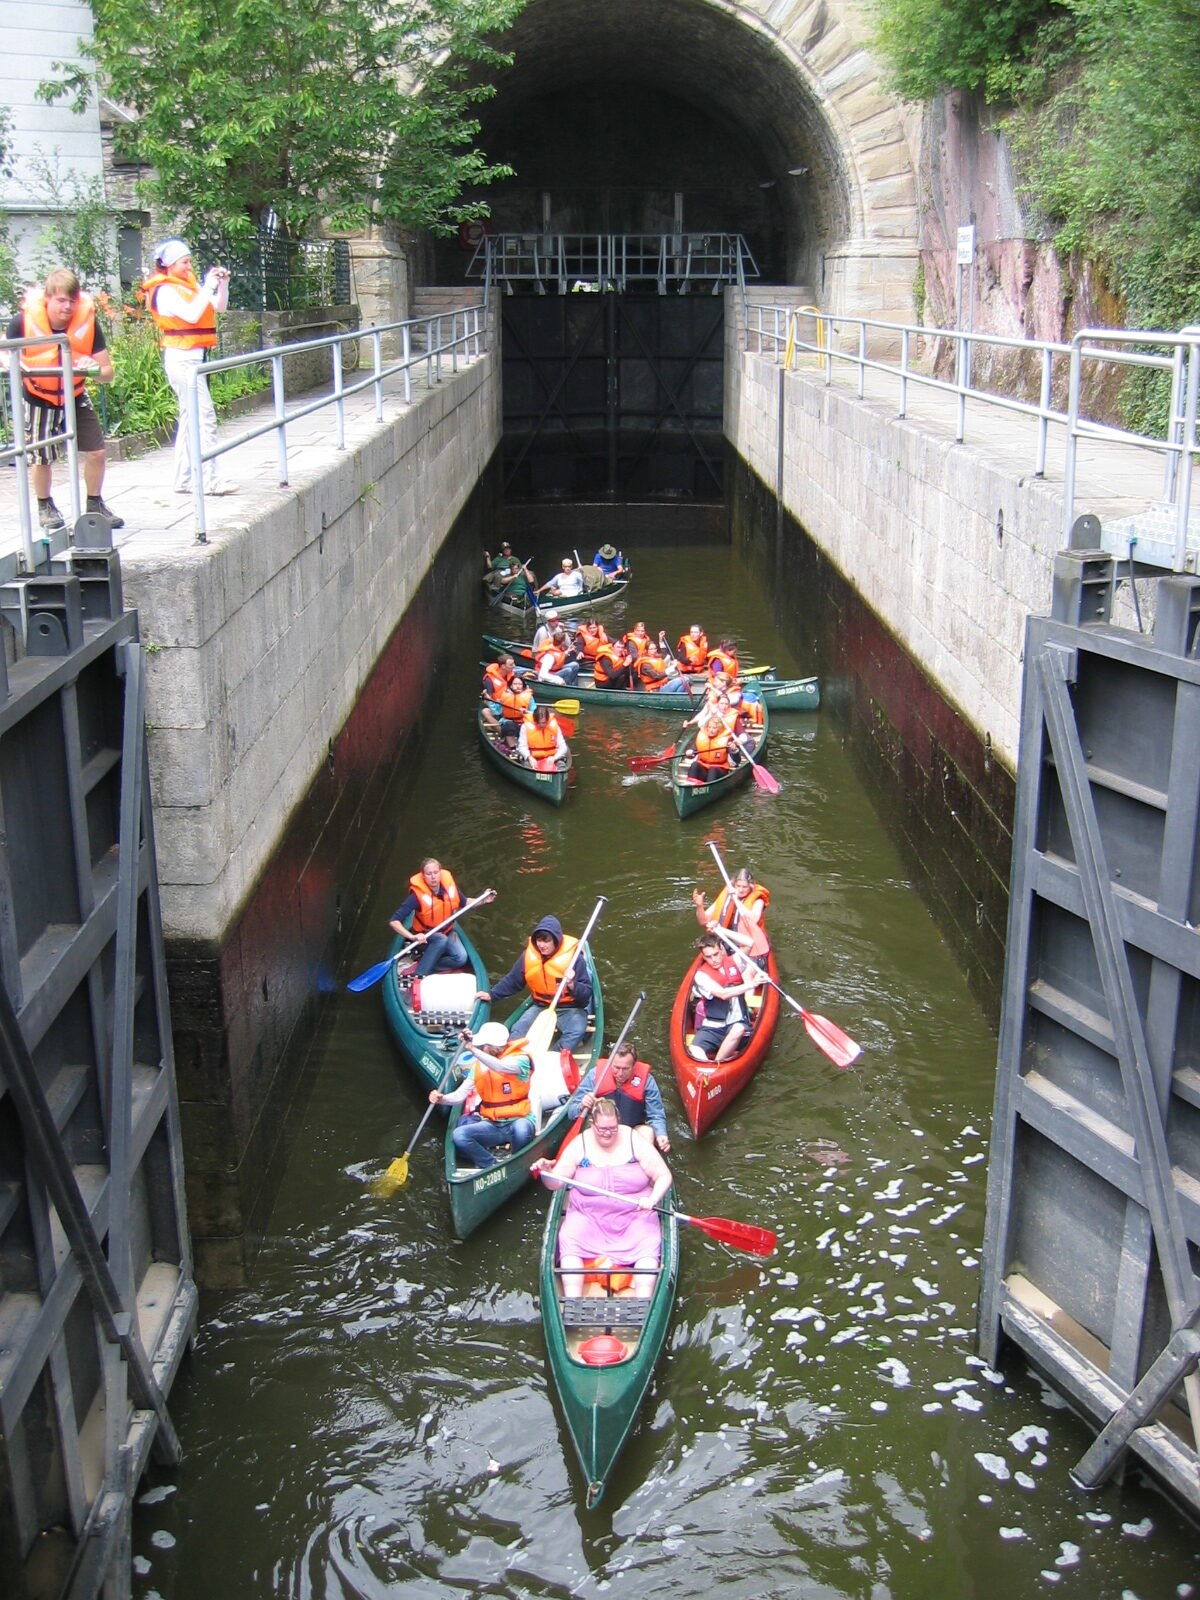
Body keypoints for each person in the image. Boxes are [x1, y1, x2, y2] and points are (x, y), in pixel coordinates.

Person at [5, 268, 122, 532]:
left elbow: (107, 373)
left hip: (75, 394)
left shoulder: (89, 325)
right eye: (61, 300)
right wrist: (14, 364)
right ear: (47, 299)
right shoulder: (22, 322)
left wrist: (89, 366)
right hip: (38, 396)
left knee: (97, 451)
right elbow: (3, 352)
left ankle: (95, 504)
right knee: (42, 458)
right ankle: (45, 506)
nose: (68, 307)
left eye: (72, 300)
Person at [531, 1097, 673, 1298]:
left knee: (647, 1242)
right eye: (602, 1129)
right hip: (588, 1215)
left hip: (634, 1215)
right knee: (570, 1236)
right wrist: (546, 1172)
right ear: (592, 1124)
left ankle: (644, 1300)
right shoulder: (580, 1144)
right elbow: (556, 1184)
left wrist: (653, 1199)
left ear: (619, 1121)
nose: (608, 1134)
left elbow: (663, 1175)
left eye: (612, 1128)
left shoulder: (633, 1140)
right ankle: (572, 1300)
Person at [142, 239, 235, 497]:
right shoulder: (165, 291)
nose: (188, 266)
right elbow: (192, 316)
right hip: (181, 359)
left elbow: (218, 306)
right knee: (204, 419)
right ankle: (211, 481)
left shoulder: (189, 285)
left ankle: (183, 479)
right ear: (170, 264)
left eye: (189, 261)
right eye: (184, 262)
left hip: (193, 358)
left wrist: (222, 285)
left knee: (188, 417)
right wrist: (208, 285)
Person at [477, 914, 593, 1053]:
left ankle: (553, 1056)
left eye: (546, 941)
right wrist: (492, 995)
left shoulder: (575, 960)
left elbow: (586, 995)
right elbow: (513, 981)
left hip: (569, 1006)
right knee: (517, 1031)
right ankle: (516, 1058)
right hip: (541, 1005)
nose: (541, 945)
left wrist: (572, 983)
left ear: (556, 941)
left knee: (576, 1031)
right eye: (539, 940)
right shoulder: (529, 956)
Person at [430, 1021, 535, 1172]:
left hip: (519, 1120)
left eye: (482, 1046)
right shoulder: (478, 1066)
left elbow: (500, 1067)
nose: (480, 1048)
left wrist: (472, 1049)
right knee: (459, 1135)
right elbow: (460, 1096)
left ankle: (515, 1161)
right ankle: (491, 1165)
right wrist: (442, 1099)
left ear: (492, 1047)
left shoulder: (521, 1060)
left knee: (522, 1129)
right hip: (493, 1124)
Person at [389, 860, 495, 977]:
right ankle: (420, 974)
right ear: (423, 876)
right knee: (441, 940)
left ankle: (423, 965)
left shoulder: (449, 887)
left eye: (436, 872)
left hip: (447, 931)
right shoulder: (416, 897)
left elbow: (464, 902)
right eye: (429, 874)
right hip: (425, 937)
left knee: (461, 958)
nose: (433, 877)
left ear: (440, 872)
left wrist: (483, 900)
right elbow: (394, 921)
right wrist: (412, 937)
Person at [567, 1041, 671, 1153]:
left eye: (625, 1069)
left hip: (631, 1130)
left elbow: (656, 1114)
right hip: (602, 1130)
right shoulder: (594, 1076)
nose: (620, 1074)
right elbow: (571, 1113)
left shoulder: (647, 1081)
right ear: (610, 1062)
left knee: (647, 1132)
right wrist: (582, 1106)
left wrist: (661, 1134)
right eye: (616, 1067)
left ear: (634, 1065)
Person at [689, 933, 767, 1062]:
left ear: (721, 950)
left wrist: (721, 930)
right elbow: (723, 994)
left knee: (738, 1029)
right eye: (708, 957)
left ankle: (717, 1065)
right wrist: (752, 984)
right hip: (713, 1027)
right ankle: (708, 1070)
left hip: (737, 1023)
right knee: (694, 1049)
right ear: (703, 956)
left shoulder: (734, 961)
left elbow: (750, 943)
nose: (714, 960)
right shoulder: (701, 976)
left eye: (716, 954)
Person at [693, 867, 770, 956]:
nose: (741, 890)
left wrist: (736, 900)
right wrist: (699, 906)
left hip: (747, 943)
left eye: (744, 887)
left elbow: (754, 919)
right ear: (734, 885)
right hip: (725, 940)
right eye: (738, 886)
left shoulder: (758, 900)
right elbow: (703, 921)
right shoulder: (726, 896)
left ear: (751, 886)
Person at [687, 714, 738, 782]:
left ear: (719, 730)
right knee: (694, 765)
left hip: (719, 769)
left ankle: (709, 787)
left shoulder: (726, 740)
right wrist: (690, 753)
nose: (711, 730)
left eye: (714, 728)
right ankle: (691, 785)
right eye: (709, 727)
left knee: (713, 770)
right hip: (704, 767)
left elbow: (736, 761)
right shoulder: (702, 737)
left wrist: (734, 750)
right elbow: (693, 751)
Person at [518, 704, 569, 769]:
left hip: (552, 757)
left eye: (543, 723)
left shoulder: (555, 726)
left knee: (561, 766)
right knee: (527, 766)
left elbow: (563, 747)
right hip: (533, 757)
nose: (541, 725)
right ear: (534, 720)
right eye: (538, 723)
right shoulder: (525, 727)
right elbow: (522, 747)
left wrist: (554, 758)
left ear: (547, 720)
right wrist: (529, 757)